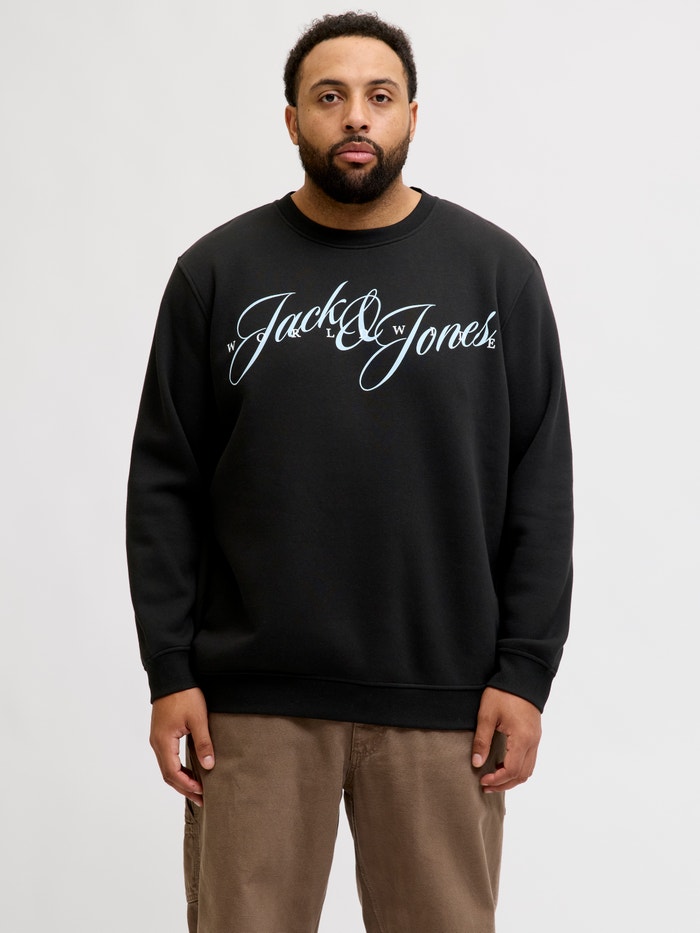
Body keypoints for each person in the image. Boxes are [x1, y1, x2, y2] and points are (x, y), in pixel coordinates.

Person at [126, 10, 574, 933]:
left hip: (447, 704)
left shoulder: (497, 276)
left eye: (380, 96)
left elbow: (541, 486)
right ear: (293, 119)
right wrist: (169, 671)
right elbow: (164, 487)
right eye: (330, 97)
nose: (356, 116)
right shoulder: (216, 274)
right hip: (251, 706)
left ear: (412, 114)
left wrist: (525, 673)